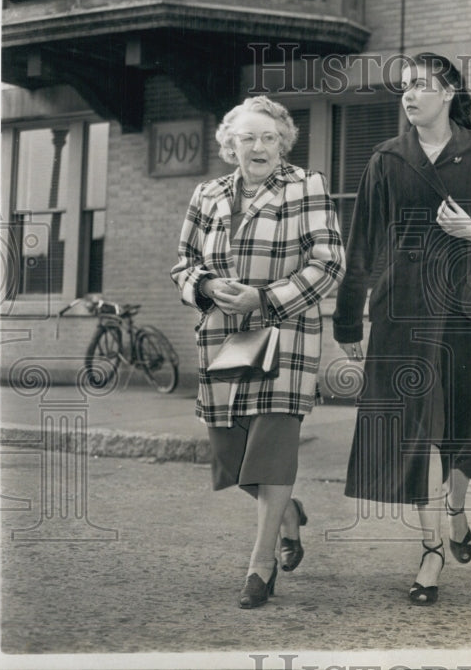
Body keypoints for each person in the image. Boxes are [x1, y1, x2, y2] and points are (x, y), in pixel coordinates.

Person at [334, 53, 471, 605]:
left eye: (421, 85)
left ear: (448, 93)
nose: (409, 95)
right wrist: (348, 319)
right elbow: (363, 245)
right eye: (404, 87)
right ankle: (431, 549)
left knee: (464, 422)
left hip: (469, 309)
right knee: (414, 431)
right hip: (403, 312)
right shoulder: (386, 158)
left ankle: (457, 510)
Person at [171, 95, 345, 609]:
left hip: (284, 335)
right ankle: (288, 514)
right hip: (223, 339)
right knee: (230, 456)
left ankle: (260, 564)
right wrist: (203, 286)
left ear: (283, 143)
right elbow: (182, 263)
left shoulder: (305, 186)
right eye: (247, 137)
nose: (259, 146)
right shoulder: (207, 194)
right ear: (230, 145)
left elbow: (328, 262)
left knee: (270, 451)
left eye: (269, 137)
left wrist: (265, 297)